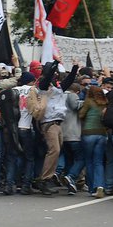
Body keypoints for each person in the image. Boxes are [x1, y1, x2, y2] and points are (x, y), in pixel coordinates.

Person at [27, 62, 79, 195]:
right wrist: (54, 64)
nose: (56, 75)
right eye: (54, 73)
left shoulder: (59, 88)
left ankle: (47, 177)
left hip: (58, 124)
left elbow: (70, 79)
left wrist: (74, 68)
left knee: (56, 151)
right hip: (49, 123)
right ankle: (45, 179)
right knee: (54, 150)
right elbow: (48, 76)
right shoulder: (44, 87)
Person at [79, 85, 108, 198]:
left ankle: (92, 188)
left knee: (89, 161)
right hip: (102, 133)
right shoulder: (105, 102)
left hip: (88, 133)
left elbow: (81, 114)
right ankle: (100, 185)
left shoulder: (89, 101)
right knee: (99, 162)